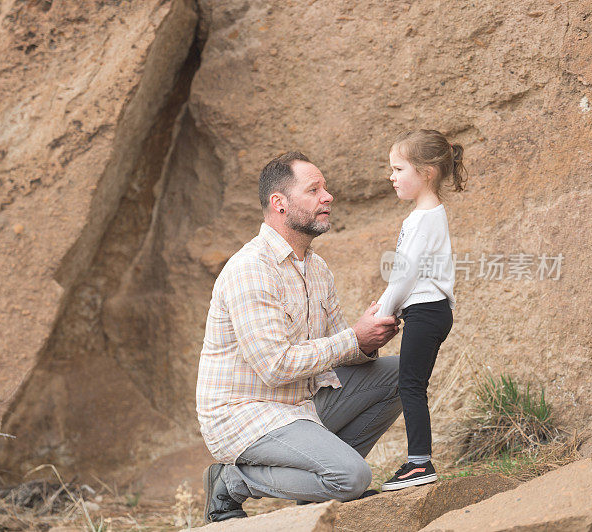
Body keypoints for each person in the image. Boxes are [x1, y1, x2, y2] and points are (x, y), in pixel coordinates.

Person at [196, 151, 402, 523]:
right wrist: (352, 338)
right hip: (245, 416)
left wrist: (370, 338)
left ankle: (318, 488)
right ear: (280, 204)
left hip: (300, 406)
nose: (328, 197)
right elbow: (275, 366)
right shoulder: (251, 269)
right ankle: (232, 480)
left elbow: (341, 345)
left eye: (325, 189)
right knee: (353, 477)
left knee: (403, 373)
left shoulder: (317, 268)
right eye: (314, 190)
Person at [375, 130, 467, 491]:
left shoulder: (421, 219)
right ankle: (418, 461)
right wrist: (389, 303)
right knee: (412, 383)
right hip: (432, 310)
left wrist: (384, 310)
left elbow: (405, 272)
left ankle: (419, 464)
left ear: (427, 172)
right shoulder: (430, 214)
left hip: (426, 310)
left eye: (399, 169)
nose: (392, 176)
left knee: (410, 385)